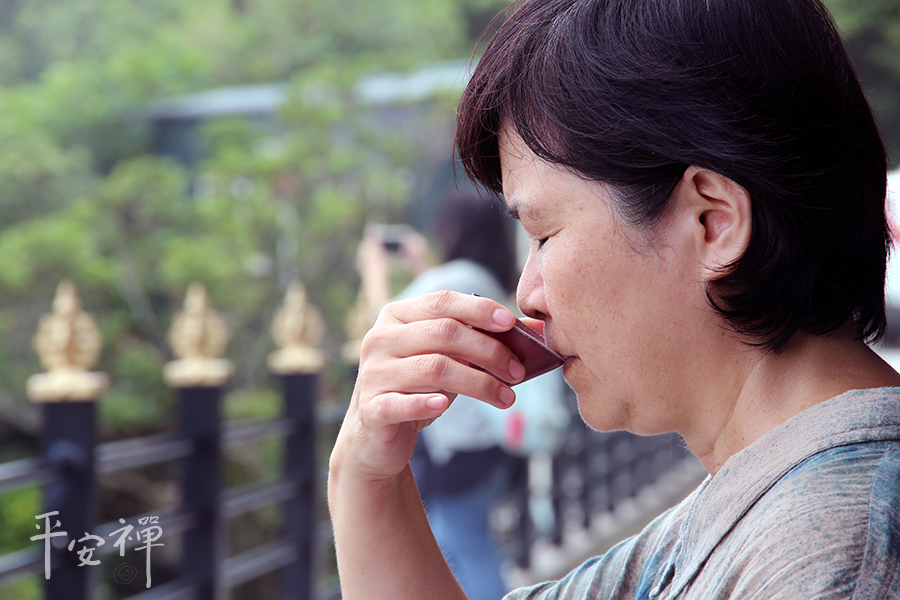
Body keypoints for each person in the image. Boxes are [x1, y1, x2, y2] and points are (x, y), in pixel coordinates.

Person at [328, 0, 900, 599]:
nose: (528, 294)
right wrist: (364, 475)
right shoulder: (756, 507)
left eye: (544, 234)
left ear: (712, 222)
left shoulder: (833, 558)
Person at [356, 195, 569, 600]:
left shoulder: (457, 277)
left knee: (468, 548)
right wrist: (422, 266)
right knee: (455, 541)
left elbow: (384, 333)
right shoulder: (485, 282)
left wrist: (373, 271)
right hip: (487, 444)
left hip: (461, 449)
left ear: (452, 231)